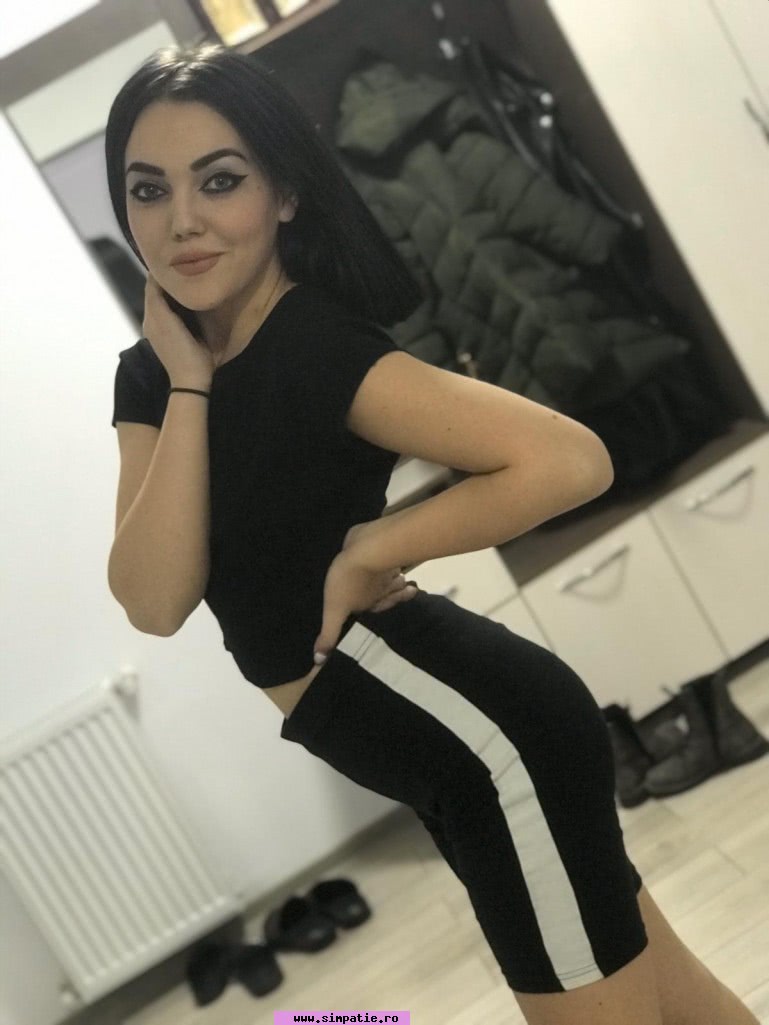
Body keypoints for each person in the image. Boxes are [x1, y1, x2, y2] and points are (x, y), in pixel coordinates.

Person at [105, 42, 758, 1025]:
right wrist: (188, 381)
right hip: (452, 749)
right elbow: (153, 598)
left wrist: (375, 545)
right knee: (679, 1000)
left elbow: (567, 459)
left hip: (488, 745)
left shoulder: (311, 341)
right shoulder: (152, 373)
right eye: (148, 189)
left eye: (221, 180)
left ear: (284, 194)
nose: (182, 218)